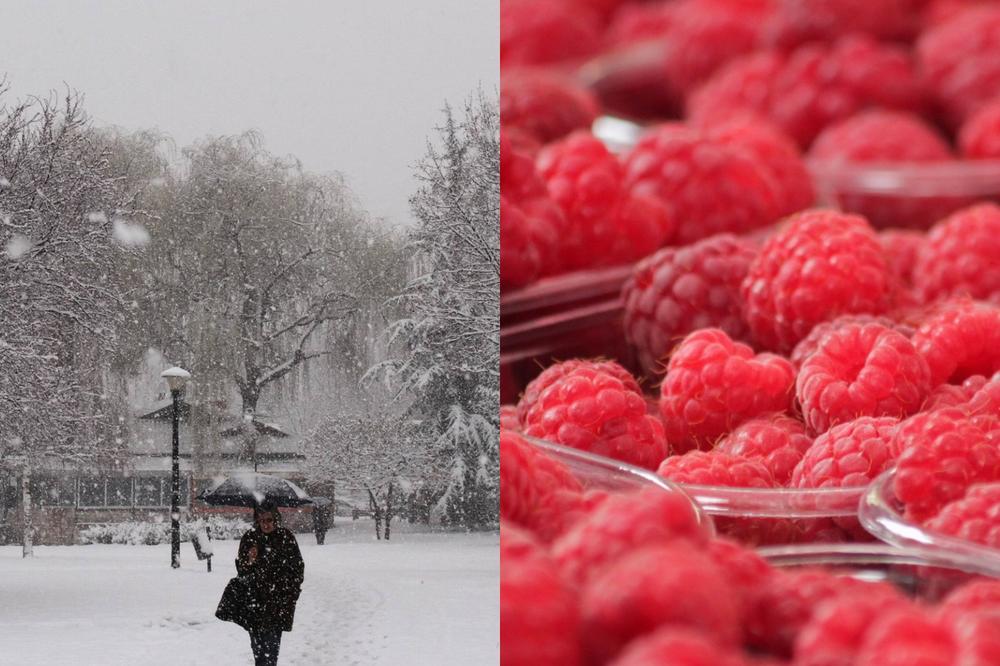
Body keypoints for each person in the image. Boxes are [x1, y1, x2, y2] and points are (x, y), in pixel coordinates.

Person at [217, 500, 304, 666]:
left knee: (271, 650)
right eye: (261, 520)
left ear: (276, 519)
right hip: (255, 602)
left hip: (277, 603)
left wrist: (291, 594)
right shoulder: (250, 538)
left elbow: (297, 568)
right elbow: (242, 571)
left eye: (269, 520)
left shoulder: (286, 537)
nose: (265, 524)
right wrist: (250, 560)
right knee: (259, 652)